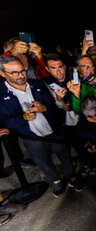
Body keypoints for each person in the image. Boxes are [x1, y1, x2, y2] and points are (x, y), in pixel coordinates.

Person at [0, 55, 83, 197]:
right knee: (43, 161)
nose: (21, 75)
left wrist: (45, 108)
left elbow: (54, 107)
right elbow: (4, 121)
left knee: (65, 155)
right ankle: (56, 180)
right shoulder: (1, 94)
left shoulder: (37, 84)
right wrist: (23, 118)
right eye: (15, 73)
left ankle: (72, 177)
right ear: (2, 73)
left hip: (54, 131)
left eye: (23, 71)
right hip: (31, 137)